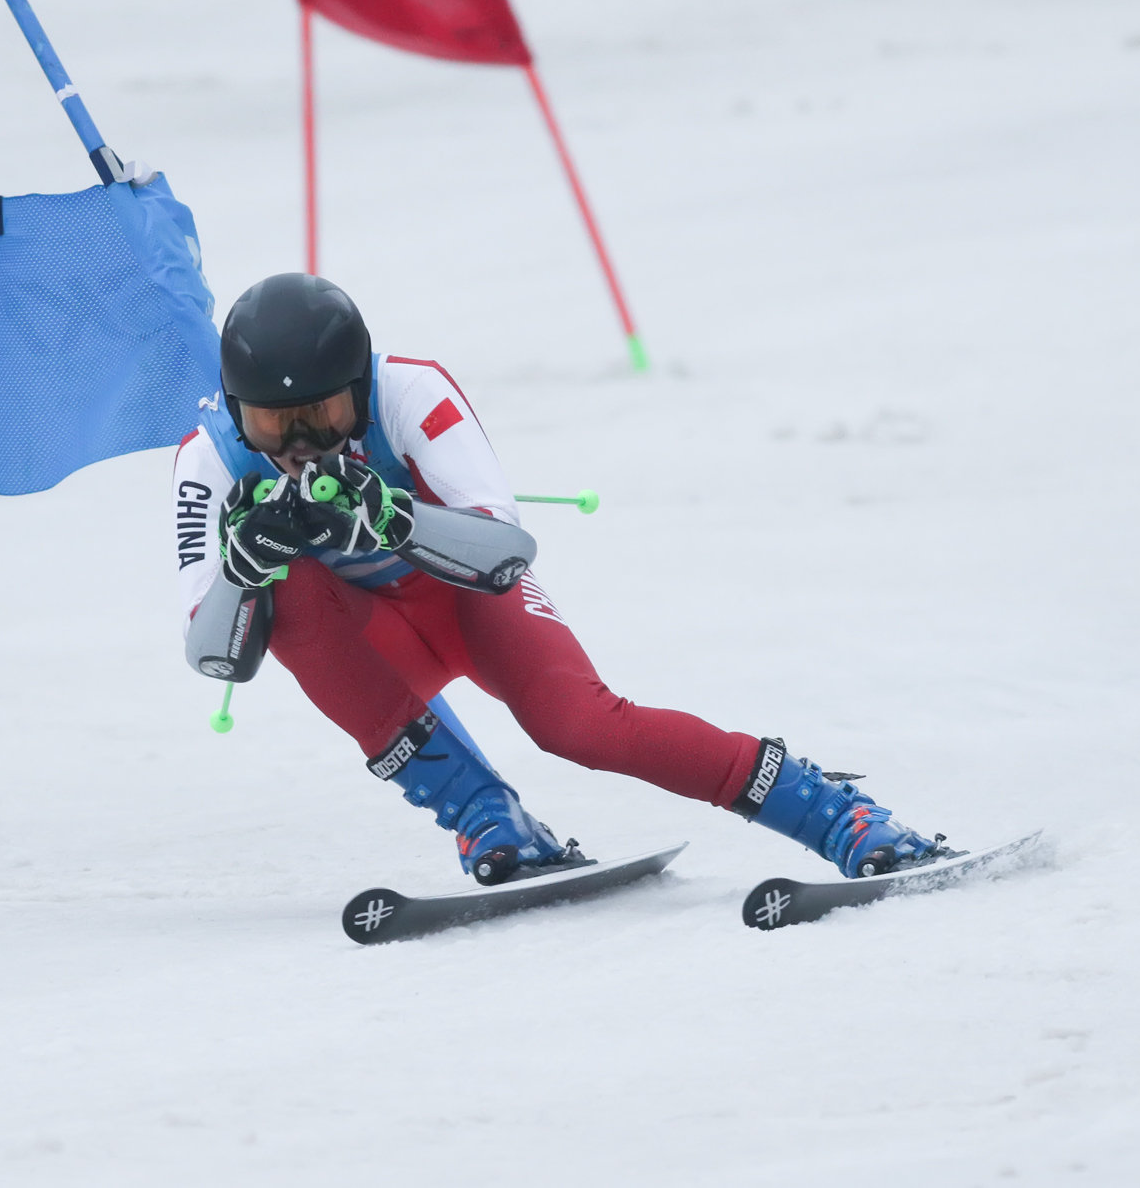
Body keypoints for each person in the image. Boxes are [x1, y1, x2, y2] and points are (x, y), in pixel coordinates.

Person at [173, 273, 951, 884]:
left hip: (465, 601)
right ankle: (484, 813)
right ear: (239, 411)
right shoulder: (209, 459)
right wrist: (243, 572)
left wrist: (393, 517)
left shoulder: (408, 391)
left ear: (359, 386)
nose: (302, 445)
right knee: (282, 580)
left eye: (327, 416)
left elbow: (504, 555)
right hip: (372, 645)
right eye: (275, 427)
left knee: (580, 727)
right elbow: (215, 658)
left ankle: (832, 812)